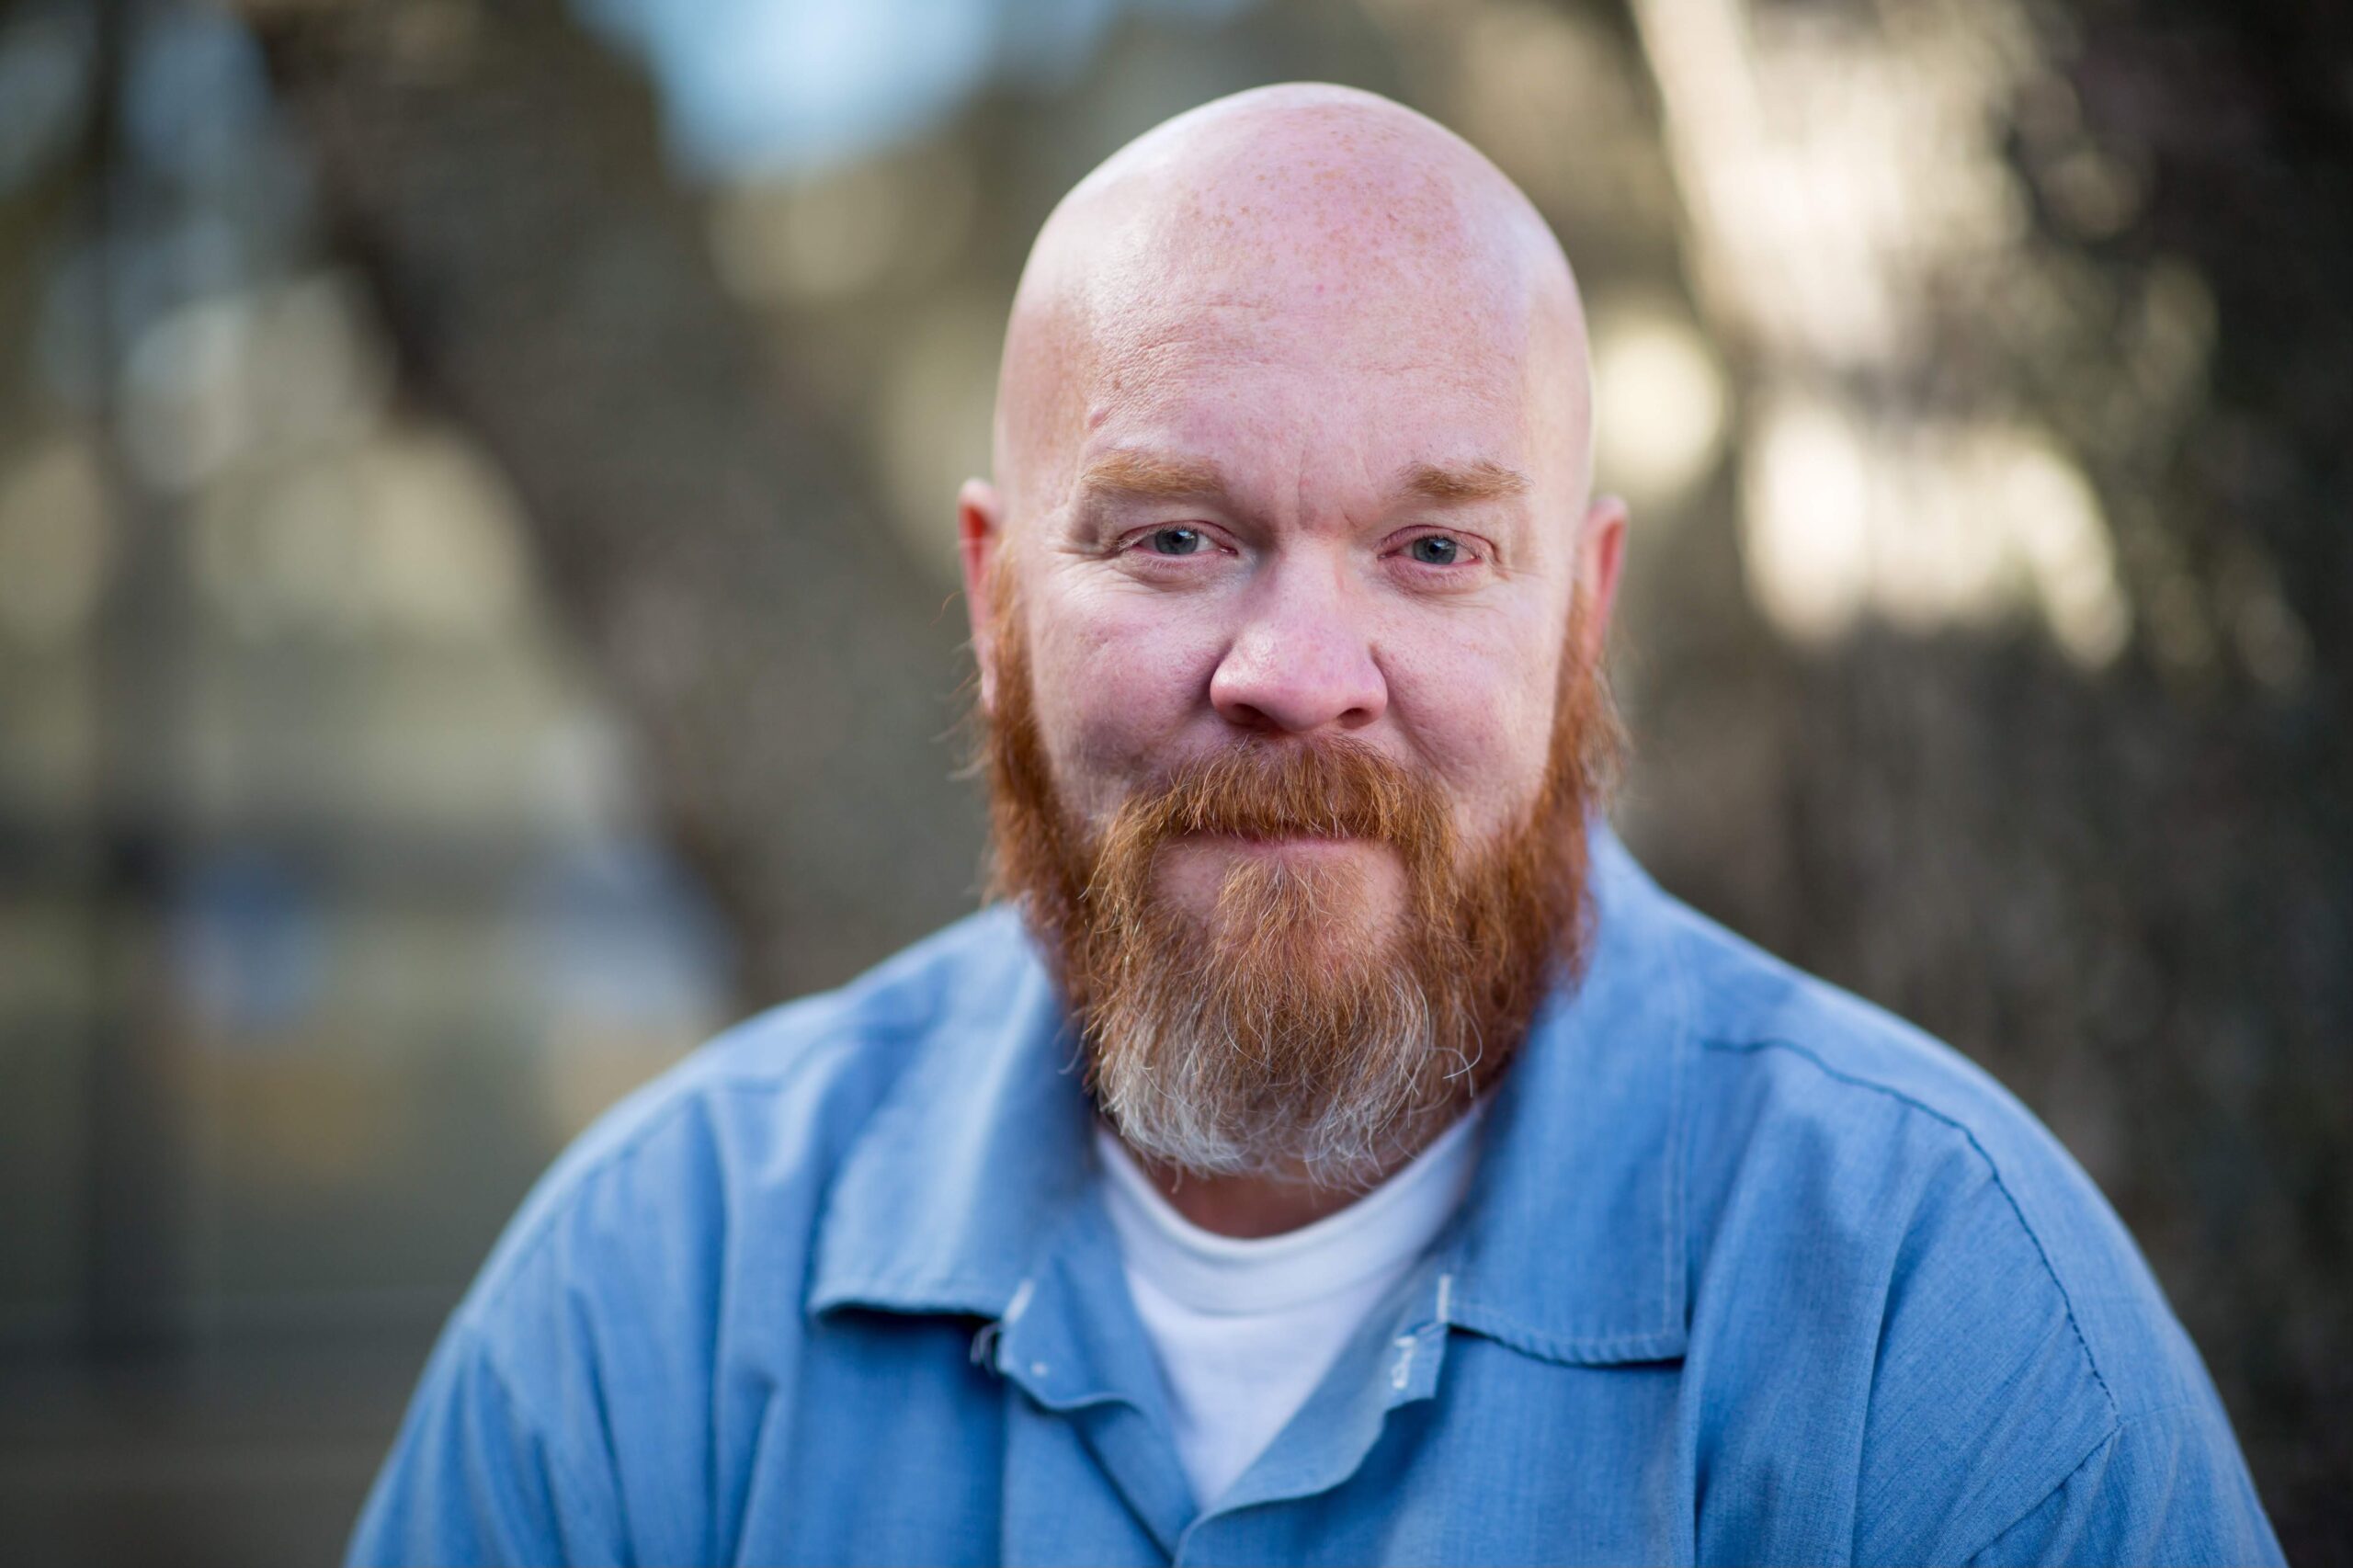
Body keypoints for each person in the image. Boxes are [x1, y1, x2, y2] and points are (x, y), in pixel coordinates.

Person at [349, 85, 2280, 1566]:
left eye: (1432, 548)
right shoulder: (650, 1299)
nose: (1295, 666)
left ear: (1577, 614)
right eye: (1174, 537)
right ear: (995, 599)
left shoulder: (1934, 1317)